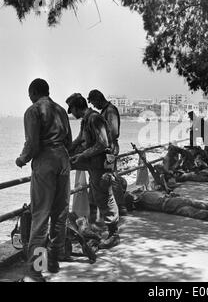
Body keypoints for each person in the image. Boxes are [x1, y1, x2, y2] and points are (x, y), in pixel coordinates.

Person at [16, 79, 72, 282]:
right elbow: (69, 141)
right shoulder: (61, 111)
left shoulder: (33, 110)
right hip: (63, 160)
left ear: (33, 92)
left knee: (40, 217)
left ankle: (37, 269)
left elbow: (32, 143)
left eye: (29, 94)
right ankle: (54, 260)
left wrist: (21, 159)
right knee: (60, 213)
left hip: (45, 163)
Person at [66, 93, 120, 250]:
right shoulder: (86, 120)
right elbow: (79, 140)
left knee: (105, 197)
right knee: (97, 194)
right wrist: (66, 151)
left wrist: (81, 155)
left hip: (101, 165)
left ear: (76, 108)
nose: (72, 114)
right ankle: (104, 230)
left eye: (72, 110)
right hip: (93, 164)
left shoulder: (94, 118)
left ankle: (114, 234)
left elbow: (102, 144)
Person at [87, 89, 127, 215]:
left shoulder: (110, 111)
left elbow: (114, 132)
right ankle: (99, 206)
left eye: (94, 103)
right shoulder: (105, 111)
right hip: (107, 148)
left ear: (98, 99)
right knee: (108, 178)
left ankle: (121, 206)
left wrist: (103, 141)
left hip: (110, 149)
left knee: (112, 177)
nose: (94, 106)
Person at [124, 189, 208, 226]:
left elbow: (130, 207)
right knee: (207, 205)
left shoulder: (140, 200)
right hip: (174, 200)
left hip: (169, 206)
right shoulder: (147, 193)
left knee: (196, 213)